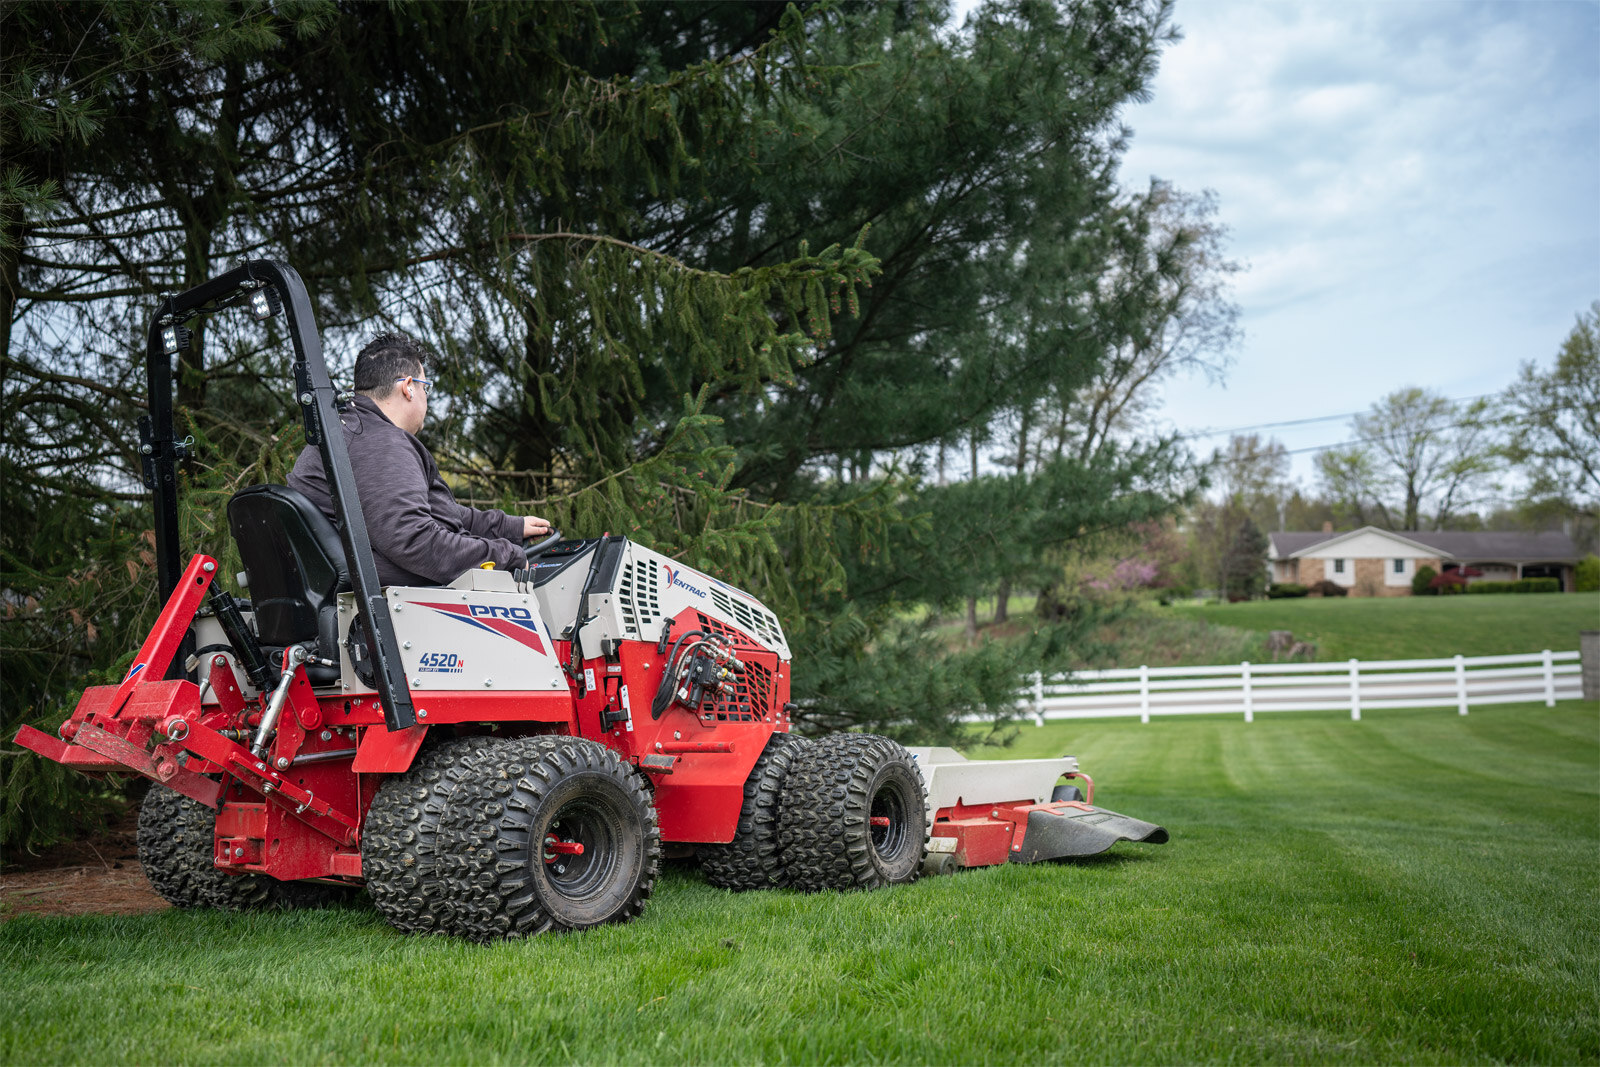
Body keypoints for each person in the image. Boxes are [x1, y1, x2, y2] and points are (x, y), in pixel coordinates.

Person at [288, 332, 551, 587]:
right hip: (390, 612)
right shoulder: (381, 444)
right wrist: (506, 556)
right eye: (427, 387)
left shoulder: (349, 433)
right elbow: (414, 541)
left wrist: (508, 527)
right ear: (408, 388)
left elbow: (432, 511)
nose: (427, 398)